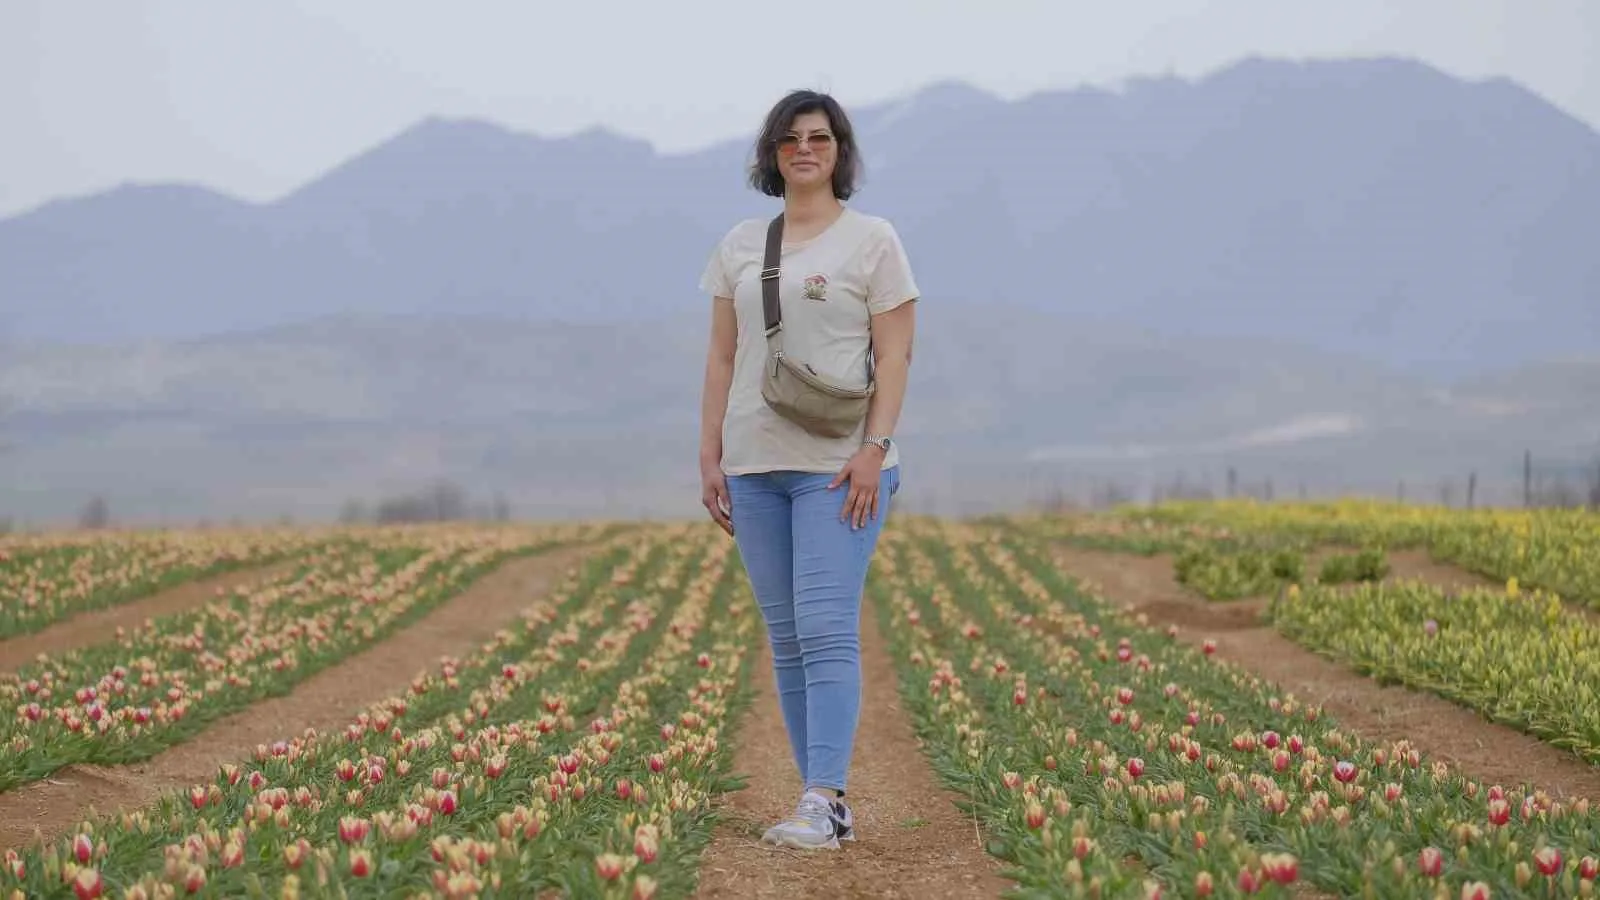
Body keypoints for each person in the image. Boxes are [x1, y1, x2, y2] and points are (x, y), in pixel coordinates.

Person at [697, 88, 919, 851]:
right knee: (786, 636)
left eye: (818, 138)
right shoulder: (739, 245)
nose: (803, 149)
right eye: (789, 139)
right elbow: (721, 356)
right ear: (772, 153)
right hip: (753, 463)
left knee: (825, 627)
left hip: (839, 467)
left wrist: (875, 449)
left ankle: (824, 800)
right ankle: (817, 800)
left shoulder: (873, 241)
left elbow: (896, 354)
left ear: (839, 151)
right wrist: (710, 454)